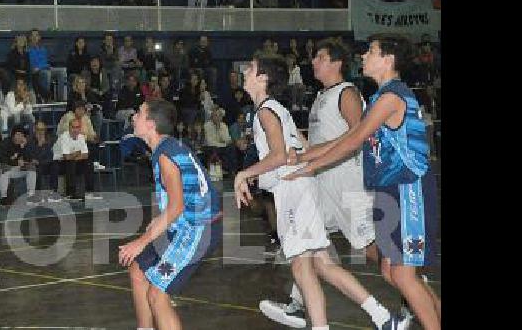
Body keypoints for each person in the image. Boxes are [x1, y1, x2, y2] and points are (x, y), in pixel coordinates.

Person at [280, 35, 441, 329]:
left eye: (371, 51)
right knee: (392, 272)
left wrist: (310, 165)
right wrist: (303, 158)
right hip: (387, 189)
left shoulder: (393, 96)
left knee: (403, 275)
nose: (364, 56)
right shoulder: (380, 97)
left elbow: (353, 139)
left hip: (408, 189)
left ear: (388, 60)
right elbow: (344, 139)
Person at [233, 53, 395, 330]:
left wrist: (244, 173)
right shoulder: (275, 108)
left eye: (252, 68)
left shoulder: (265, 112)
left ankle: (323, 323)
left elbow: (281, 156)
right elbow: (302, 146)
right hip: (300, 188)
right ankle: (383, 316)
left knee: (302, 266)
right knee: (321, 264)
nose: (246, 71)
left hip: (293, 190)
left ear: (263, 78)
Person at [118, 99, 220, 330]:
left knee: (157, 294)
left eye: (139, 114)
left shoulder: (166, 156)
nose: (134, 116)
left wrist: (142, 241)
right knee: (138, 270)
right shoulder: (167, 147)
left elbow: (177, 207)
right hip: (183, 225)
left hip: (199, 230)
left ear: (151, 125)